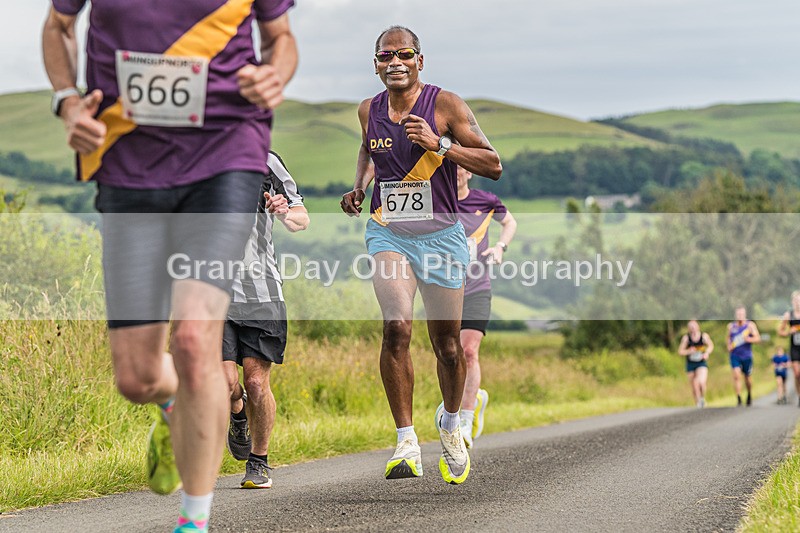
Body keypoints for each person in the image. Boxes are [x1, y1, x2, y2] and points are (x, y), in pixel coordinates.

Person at [43, 2, 297, 532]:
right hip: (128, 161)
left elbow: (280, 38)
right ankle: (172, 401)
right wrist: (68, 101)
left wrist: (276, 75)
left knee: (194, 340)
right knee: (136, 376)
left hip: (226, 154)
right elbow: (58, 25)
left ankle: (194, 521)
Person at [340, 25, 502, 485]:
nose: (395, 62)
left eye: (404, 54)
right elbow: (369, 148)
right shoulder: (368, 108)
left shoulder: (446, 105)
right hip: (388, 232)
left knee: (448, 347)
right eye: (385, 55)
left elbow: (493, 163)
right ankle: (406, 440)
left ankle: (451, 424)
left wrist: (440, 145)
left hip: (442, 235)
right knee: (396, 328)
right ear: (375, 64)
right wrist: (359, 186)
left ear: (419, 61)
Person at [224, 152, 308, 489]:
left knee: (257, 382)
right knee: (224, 384)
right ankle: (237, 410)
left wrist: (286, 212)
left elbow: (302, 218)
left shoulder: (267, 162)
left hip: (262, 291)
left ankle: (259, 461)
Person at [454, 165, 517, 447]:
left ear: (469, 173)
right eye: (448, 168)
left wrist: (500, 247)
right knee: (449, 354)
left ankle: (465, 420)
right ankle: (473, 396)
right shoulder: (436, 202)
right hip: (444, 289)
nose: (455, 172)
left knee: (468, 351)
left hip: (477, 288)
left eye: (460, 168)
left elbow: (510, 222)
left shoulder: (486, 201)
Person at [726, 306, 761, 406]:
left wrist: (749, 339)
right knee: (736, 376)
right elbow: (728, 339)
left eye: (742, 314)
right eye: (738, 314)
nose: (740, 316)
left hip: (746, 356)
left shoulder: (750, 325)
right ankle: (739, 398)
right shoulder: (731, 326)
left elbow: (758, 338)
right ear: (735, 315)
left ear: (745, 315)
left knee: (747, 378)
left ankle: (749, 394)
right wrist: (729, 345)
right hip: (735, 355)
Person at [677, 320, 714, 408]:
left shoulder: (704, 336)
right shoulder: (686, 338)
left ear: (698, 326)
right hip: (690, 364)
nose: (693, 329)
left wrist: (707, 353)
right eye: (691, 327)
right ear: (688, 329)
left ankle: (702, 398)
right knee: (694, 385)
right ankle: (698, 403)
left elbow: (711, 346)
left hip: (701, 363)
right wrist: (689, 351)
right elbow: (680, 351)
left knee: (700, 382)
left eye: (694, 326)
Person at [777, 290, 800, 407]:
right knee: (797, 374)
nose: (798, 303)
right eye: (796, 300)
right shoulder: (788, 315)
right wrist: (789, 332)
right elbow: (780, 331)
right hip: (795, 348)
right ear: (792, 302)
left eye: (799, 300)